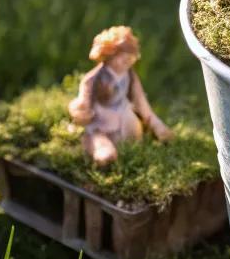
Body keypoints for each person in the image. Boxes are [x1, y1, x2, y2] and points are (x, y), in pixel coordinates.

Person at [68, 25, 172, 167]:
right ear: (108, 55)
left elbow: (141, 102)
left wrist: (155, 123)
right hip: (102, 120)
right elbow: (83, 100)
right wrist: (81, 109)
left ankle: (124, 146)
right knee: (99, 140)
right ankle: (100, 148)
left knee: (131, 137)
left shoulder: (130, 76)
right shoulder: (94, 79)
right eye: (122, 56)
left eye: (130, 57)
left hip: (125, 120)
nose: (127, 60)